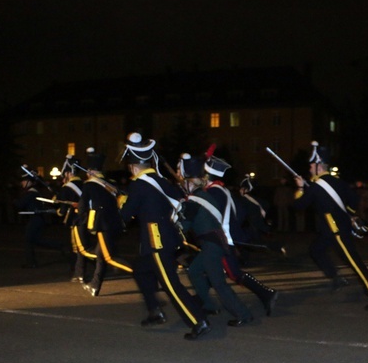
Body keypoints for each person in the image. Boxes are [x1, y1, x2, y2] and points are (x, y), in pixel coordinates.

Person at [119, 132, 210, 340]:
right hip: (167, 238)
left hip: (156, 241)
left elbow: (125, 216)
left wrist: (121, 202)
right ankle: (155, 311)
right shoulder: (161, 181)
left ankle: (198, 320)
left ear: (133, 167)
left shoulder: (138, 185)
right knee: (141, 271)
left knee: (171, 285)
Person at [293, 141, 368, 309]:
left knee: (354, 262)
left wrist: (300, 188)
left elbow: (299, 205)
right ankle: (336, 277)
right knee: (315, 250)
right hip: (330, 229)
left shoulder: (314, 187)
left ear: (319, 166)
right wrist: (345, 213)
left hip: (336, 230)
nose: (310, 169)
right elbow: (354, 201)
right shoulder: (338, 182)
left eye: (312, 166)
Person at [179, 155, 254, 326]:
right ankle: (209, 305)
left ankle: (243, 314)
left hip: (212, 245)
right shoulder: (202, 196)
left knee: (218, 283)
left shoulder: (194, 200)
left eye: (185, 182)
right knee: (195, 271)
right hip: (212, 244)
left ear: (190, 182)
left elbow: (184, 225)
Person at [203, 153, 279, 316]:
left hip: (221, 239)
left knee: (233, 273)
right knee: (207, 270)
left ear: (207, 175)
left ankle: (266, 294)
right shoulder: (221, 190)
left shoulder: (215, 192)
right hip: (221, 238)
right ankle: (203, 301)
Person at [77, 147, 129, 296]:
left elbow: (83, 205)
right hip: (114, 223)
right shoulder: (109, 183)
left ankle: (144, 273)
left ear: (91, 171)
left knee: (108, 257)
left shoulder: (89, 184)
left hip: (102, 223)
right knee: (100, 254)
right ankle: (95, 284)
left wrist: (82, 220)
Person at [14, 166, 63, 268]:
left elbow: (19, 204)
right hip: (37, 219)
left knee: (29, 240)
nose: (22, 183)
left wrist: (14, 199)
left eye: (24, 181)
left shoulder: (31, 193)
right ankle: (58, 245)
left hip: (36, 219)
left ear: (29, 182)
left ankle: (31, 263)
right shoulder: (32, 192)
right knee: (35, 240)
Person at [54, 155, 86, 282]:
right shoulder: (84, 184)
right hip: (88, 218)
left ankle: (79, 273)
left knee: (77, 248)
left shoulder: (67, 188)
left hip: (76, 220)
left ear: (68, 173)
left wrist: (58, 210)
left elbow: (62, 211)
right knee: (84, 246)